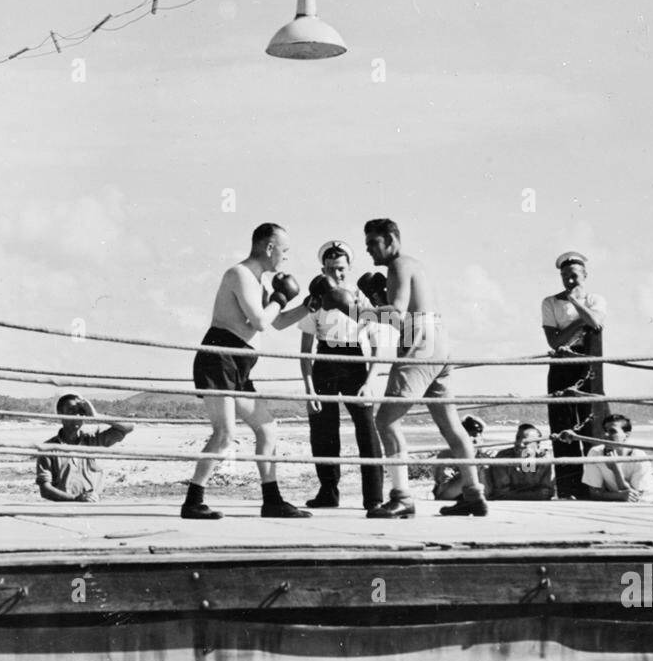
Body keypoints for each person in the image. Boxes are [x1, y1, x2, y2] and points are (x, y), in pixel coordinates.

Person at [182, 223, 311, 520]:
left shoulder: (259, 282)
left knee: (267, 428)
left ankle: (272, 500)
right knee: (225, 434)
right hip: (220, 357)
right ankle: (193, 501)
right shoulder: (238, 274)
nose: (286, 257)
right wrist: (281, 298)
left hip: (239, 363)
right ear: (269, 247)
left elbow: (278, 321)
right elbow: (260, 321)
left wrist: (310, 304)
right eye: (284, 250)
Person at [363, 218, 488, 518]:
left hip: (419, 341)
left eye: (373, 243)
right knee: (451, 426)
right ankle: (473, 494)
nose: (369, 250)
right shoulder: (414, 265)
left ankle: (402, 496)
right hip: (438, 342)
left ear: (391, 239)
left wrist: (353, 308)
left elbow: (397, 311)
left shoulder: (398, 265)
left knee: (386, 421)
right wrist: (378, 300)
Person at [298, 240, 384, 510]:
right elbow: (304, 350)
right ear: (323, 268)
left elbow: (378, 343)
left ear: (350, 267)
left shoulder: (361, 298)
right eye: (333, 269)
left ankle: (374, 497)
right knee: (323, 431)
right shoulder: (316, 300)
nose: (339, 274)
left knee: (367, 430)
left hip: (355, 361)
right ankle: (328, 492)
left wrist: (370, 382)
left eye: (343, 269)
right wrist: (309, 388)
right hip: (324, 361)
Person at [542, 252, 610, 499]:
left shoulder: (596, 299)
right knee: (562, 426)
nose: (568, 281)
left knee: (592, 423)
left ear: (585, 276)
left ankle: (595, 487)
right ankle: (569, 489)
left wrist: (577, 305)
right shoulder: (549, 302)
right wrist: (581, 322)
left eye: (573, 276)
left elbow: (596, 324)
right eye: (564, 276)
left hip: (588, 364)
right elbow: (554, 340)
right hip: (561, 365)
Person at [36, 394, 134, 502]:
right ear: (60, 414)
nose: (78, 415)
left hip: (91, 506)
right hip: (63, 509)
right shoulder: (49, 448)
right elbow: (45, 490)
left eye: (81, 411)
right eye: (72, 411)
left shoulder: (92, 440)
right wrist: (76, 499)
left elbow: (128, 427)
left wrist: (96, 416)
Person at [580, 413, 653, 504]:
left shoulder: (638, 456)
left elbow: (633, 497)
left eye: (612, 431)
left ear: (627, 435)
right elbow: (595, 493)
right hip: (623, 504)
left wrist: (616, 469)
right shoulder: (596, 453)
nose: (605, 434)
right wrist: (619, 495)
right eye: (605, 430)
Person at [484, 423, 555, 500]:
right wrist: (534, 494)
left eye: (526, 441)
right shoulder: (503, 458)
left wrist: (514, 494)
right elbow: (501, 493)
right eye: (518, 438)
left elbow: (546, 493)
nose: (520, 444)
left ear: (537, 445)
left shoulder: (545, 460)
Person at [432, 415, 488, 500]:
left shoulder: (486, 456)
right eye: (466, 435)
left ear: (481, 438)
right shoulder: (447, 457)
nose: (470, 439)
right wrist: (474, 470)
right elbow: (444, 495)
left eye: (474, 434)